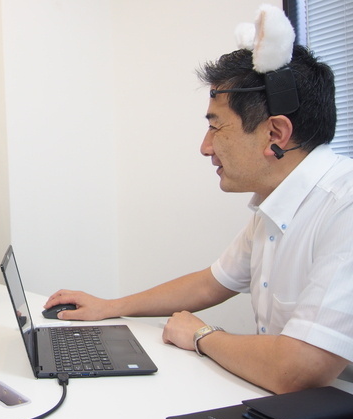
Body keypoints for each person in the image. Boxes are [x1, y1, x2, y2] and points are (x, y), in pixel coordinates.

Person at [45, 7, 353, 394]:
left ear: (275, 134)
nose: (205, 147)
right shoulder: (275, 206)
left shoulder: (344, 207)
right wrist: (111, 306)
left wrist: (201, 335)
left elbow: (298, 370)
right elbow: (211, 283)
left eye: (215, 127)